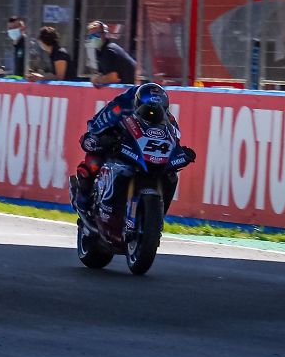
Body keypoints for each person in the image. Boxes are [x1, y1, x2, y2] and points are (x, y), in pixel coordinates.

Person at [69, 83, 195, 215]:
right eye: (149, 109)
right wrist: (101, 139)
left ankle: (158, 214)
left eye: (160, 110)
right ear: (138, 103)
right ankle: (83, 199)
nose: (154, 113)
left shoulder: (168, 118)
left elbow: (175, 139)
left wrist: (180, 153)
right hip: (120, 146)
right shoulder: (120, 107)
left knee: (171, 175)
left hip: (147, 156)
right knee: (93, 161)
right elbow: (94, 129)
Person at [85, 20, 136, 86]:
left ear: (104, 34)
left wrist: (97, 80)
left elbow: (113, 78)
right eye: (90, 36)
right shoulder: (99, 52)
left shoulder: (109, 50)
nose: (93, 38)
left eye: (96, 34)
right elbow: (102, 74)